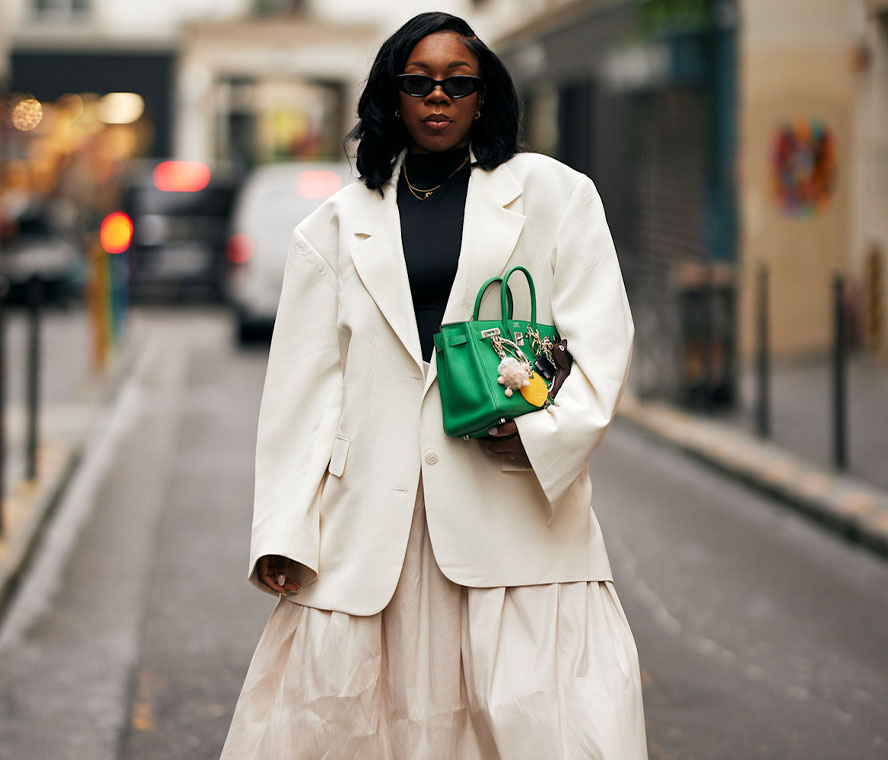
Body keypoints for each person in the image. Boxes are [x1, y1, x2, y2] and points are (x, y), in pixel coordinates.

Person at [220, 11, 647, 760]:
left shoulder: (555, 195)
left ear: (485, 96)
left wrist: (536, 429)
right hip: (368, 534)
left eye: (458, 83)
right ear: (392, 94)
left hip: (513, 518)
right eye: (419, 83)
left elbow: (602, 347)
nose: (438, 97)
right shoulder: (331, 226)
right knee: (358, 729)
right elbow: (303, 393)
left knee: (535, 724)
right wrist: (284, 532)